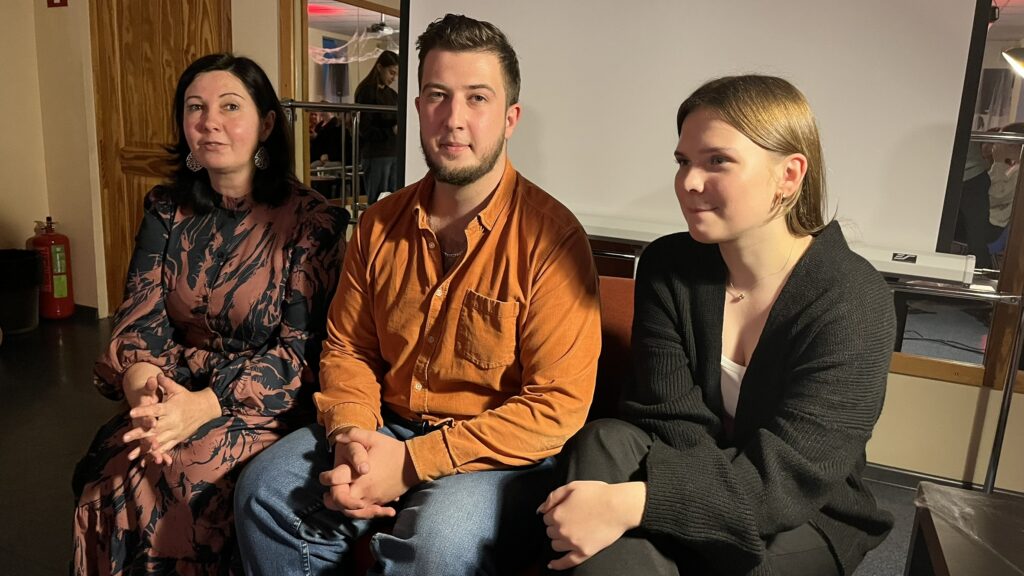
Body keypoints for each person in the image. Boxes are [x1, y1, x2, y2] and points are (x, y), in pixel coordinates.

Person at [235, 14, 601, 575]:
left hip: (497, 455)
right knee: (265, 492)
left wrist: (411, 463)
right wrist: (353, 436)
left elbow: (556, 407)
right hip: (388, 423)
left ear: (510, 118)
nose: (454, 119)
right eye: (437, 95)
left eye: (477, 98)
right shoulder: (379, 224)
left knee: (438, 544)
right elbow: (350, 348)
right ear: (418, 107)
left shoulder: (553, 240)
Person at [539, 75, 896, 576]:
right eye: (683, 161)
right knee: (603, 439)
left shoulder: (854, 300)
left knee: (706, 555)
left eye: (717, 161)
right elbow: (664, 416)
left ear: (789, 175)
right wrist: (689, 508)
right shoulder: (667, 265)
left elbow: (789, 480)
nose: (688, 182)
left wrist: (634, 506)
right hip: (689, 467)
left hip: (803, 511)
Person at [72, 53, 347, 575]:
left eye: (230, 106)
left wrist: (205, 404)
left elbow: (302, 353)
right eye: (195, 108)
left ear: (267, 124)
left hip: (262, 402)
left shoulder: (313, 221)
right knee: (115, 466)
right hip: (170, 390)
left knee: (186, 477)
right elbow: (139, 316)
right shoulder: (165, 208)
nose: (209, 122)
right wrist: (145, 392)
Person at [355, 49, 400, 204]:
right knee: (377, 203)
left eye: (395, 74)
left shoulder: (392, 95)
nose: (393, 78)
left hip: (392, 151)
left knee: (395, 201)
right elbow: (364, 129)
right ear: (380, 67)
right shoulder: (366, 92)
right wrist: (390, 131)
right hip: (376, 153)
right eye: (391, 73)